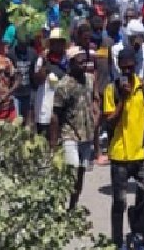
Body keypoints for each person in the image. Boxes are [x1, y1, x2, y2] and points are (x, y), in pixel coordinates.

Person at [105, 47, 144, 250]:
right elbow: (109, 122)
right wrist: (122, 100)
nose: (127, 71)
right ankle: (116, 242)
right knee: (119, 203)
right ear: (119, 66)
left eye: (130, 67)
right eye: (123, 67)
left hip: (141, 154)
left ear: (135, 65)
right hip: (119, 155)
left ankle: (137, 229)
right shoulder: (112, 89)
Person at [51, 45, 97, 209]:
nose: (83, 65)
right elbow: (55, 115)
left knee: (81, 173)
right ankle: (60, 204)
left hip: (87, 135)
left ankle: (72, 206)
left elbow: (94, 100)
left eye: (85, 62)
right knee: (71, 170)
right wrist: (53, 144)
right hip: (69, 134)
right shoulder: (64, 86)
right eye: (79, 63)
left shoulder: (90, 79)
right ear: (70, 63)